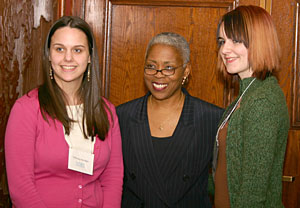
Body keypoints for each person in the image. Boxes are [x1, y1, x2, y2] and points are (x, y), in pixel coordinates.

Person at [5, 16, 123, 208]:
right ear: (49, 55)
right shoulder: (26, 110)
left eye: (77, 50)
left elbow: (113, 178)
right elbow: (21, 189)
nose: (68, 58)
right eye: (60, 49)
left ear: (90, 56)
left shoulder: (106, 111)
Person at [117, 32, 224, 207]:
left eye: (168, 68)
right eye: (151, 66)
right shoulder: (122, 116)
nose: (158, 75)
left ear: (186, 70)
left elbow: (224, 184)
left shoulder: (212, 118)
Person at [212, 5, 290, 208]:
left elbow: (253, 195)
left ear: (260, 42)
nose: (224, 49)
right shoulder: (248, 93)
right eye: (222, 41)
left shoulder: (262, 100)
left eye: (235, 40)